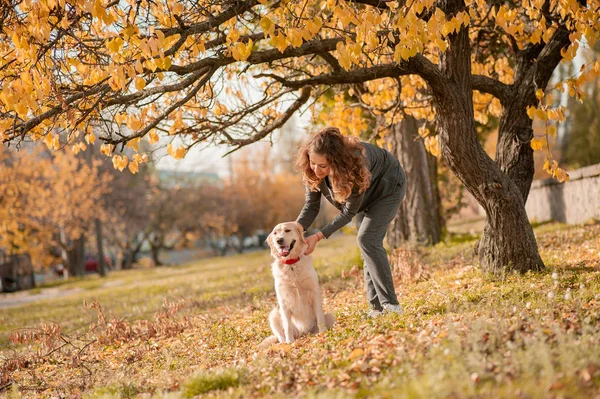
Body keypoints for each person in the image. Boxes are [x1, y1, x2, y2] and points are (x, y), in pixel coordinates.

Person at [295, 126, 407, 317]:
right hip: (365, 196)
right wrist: (295, 230)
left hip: (387, 187)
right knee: (367, 247)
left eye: (323, 166)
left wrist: (319, 236)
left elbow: (348, 214)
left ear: (336, 162)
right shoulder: (312, 169)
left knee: (367, 240)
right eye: (313, 163)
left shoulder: (354, 167)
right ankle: (376, 309)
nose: (316, 169)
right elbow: (311, 206)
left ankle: (391, 306)